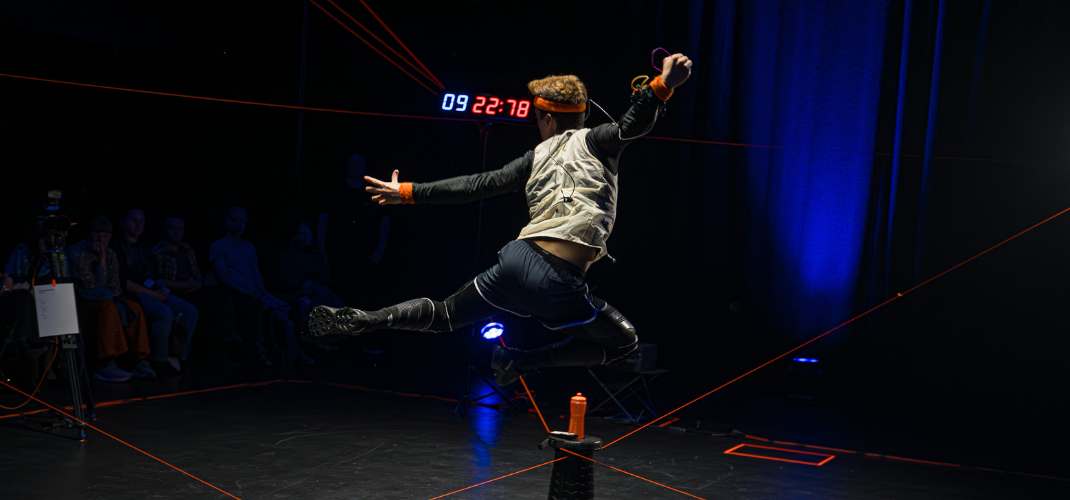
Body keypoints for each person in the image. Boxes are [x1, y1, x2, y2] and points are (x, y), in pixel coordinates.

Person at [310, 54, 693, 385]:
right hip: (555, 278)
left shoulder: (534, 158)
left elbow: (475, 185)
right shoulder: (596, 141)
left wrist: (409, 191)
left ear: (547, 119)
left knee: (445, 314)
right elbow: (630, 125)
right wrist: (661, 86)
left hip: (515, 261)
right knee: (624, 343)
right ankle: (520, 361)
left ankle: (370, 318)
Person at [209, 207, 303, 365]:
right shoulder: (218, 246)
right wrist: (249, 292)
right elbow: (224, 277)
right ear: (227, 221)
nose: (239, 225)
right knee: (257, 307)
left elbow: (256, 272)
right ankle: (260, 348)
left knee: (287, 308)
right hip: (235, 293)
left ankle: (297, 349)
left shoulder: (249, 246)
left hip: (255, 291)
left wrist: (262, 291)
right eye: (235, 220)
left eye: (243, 221)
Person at [112, 209, 199, 375]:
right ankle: (160, 360)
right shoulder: (117, 247)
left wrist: (163, 289)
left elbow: (155, 275)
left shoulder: (144, 247)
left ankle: (179, 355)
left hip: (153, 289)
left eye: (141, 221)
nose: (137, 225)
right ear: (123, 222)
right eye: (134, 220)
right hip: (135, 293)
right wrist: (153, 294)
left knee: (190, 312)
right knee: (164, 313)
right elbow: (124, 281)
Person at [66, 216, 151, 382]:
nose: (101, 240)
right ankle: (107, 362)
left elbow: (115, 286)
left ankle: (137, 359)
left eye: (105, 236)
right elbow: (91, 286)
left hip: (108, 296)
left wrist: (105, 257)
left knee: (133, 306)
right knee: (107, 307)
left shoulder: (111, 253)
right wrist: (101, 261)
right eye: (97, 235)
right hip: (82, 300)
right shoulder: (76, 252)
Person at [317, 152, 391, 304]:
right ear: (347, 165)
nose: (356, 166)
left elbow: (384, 220)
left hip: (365, 252)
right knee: (339, 291)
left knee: (362, 294)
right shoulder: (336, 189)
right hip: (338, 250)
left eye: (359, 163)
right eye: (353, 163)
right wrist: (321, 244)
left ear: (364, 166)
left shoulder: (373, 191)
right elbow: (324, 215)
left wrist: (380, 249)